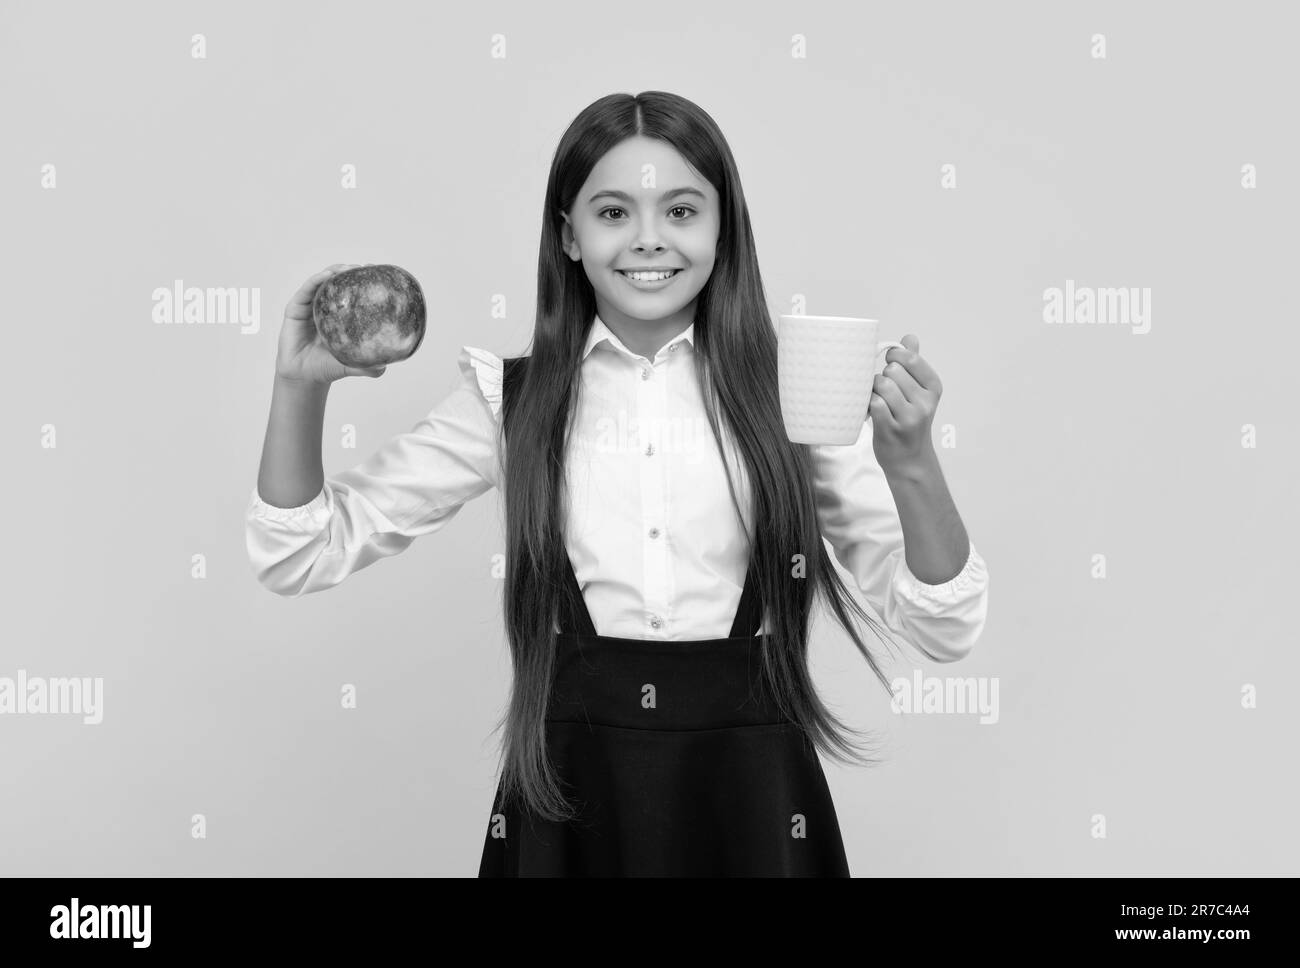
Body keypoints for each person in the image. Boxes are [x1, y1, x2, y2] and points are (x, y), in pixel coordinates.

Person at [246, 91, 990, 877]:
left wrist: (910, 461)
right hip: (569, 802)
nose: (647, 240)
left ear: (721, 230)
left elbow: (946, 625)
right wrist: (301, 388)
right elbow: (298, 554)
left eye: (680, 211)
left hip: (753, 807)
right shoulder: (512, 401)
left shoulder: (792, 393)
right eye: (611, 213)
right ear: (568, 234)